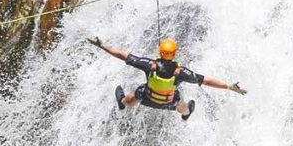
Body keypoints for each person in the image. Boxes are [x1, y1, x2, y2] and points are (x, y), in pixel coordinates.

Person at [88, 37, 247, 121]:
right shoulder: (181, 72)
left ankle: (122, 102)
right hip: (168, 102)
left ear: (160, 52)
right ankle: (186, 113)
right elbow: (205, 80)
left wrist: (102, 45)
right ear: (175, 53)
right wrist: (228, 86)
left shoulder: (150, 65)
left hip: (147, 98)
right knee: (180, 103)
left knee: (134, 96)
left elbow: (123, 55)